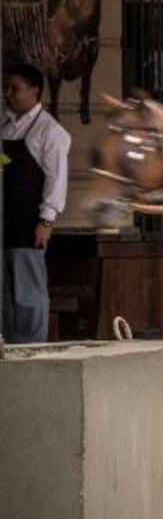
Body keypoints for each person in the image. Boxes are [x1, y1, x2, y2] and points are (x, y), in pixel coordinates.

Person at [2, 63, 71, 344]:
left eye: (15, 89)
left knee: (27, 292)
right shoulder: (5, 125)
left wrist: (46, 221)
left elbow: (57, 180)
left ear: (35, 91)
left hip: (29, 224)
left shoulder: (50, 131)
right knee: (5, 292)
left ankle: (31, 348)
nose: (8, 94)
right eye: (6, 88)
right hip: (4, 221)